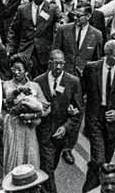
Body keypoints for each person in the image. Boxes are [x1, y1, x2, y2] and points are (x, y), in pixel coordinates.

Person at [82, 40, 115, 193]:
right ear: (107, 55)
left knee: (104, 162)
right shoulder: (91, 68)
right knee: (99, 160)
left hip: (114, 123)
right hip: (95, 118)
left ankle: (90, 189)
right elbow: (81, 90)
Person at [35, 49, 83, 191]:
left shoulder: (73, 82)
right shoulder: (38, 81)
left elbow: (78, 112)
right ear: (49, 63)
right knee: (48, 168)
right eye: (55, 63)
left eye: (61, 63)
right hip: (43, 134)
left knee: (52, 166)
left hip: (61, 135)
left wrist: (65, 127)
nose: (58, 67)